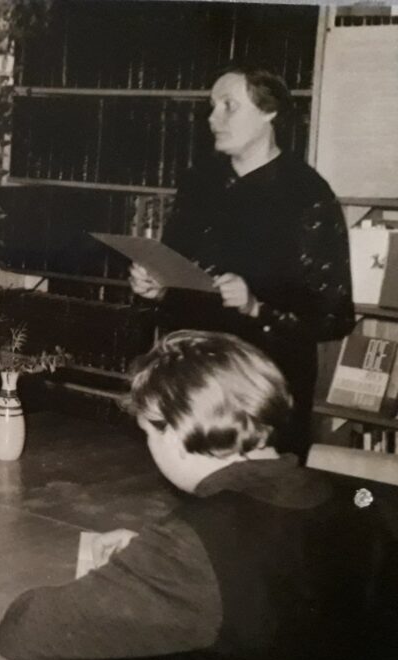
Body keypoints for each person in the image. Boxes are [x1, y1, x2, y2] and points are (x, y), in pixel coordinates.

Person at [0, 330, 374, 660]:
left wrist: (161, 563)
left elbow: (24, 634)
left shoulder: (192, 547)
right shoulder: (355, 501)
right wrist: (156, 561)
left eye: (148, 433)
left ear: (175, 433)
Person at [129, 63, 355, 457]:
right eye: (212, 106)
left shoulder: (308, 195)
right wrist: (157, 288)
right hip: (193, 382)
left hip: (261, 392)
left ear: (270, 112)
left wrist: (256, 307)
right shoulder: (198, 181)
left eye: (228, 106)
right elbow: (179, 274)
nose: (213, 118)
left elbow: (333, 316)